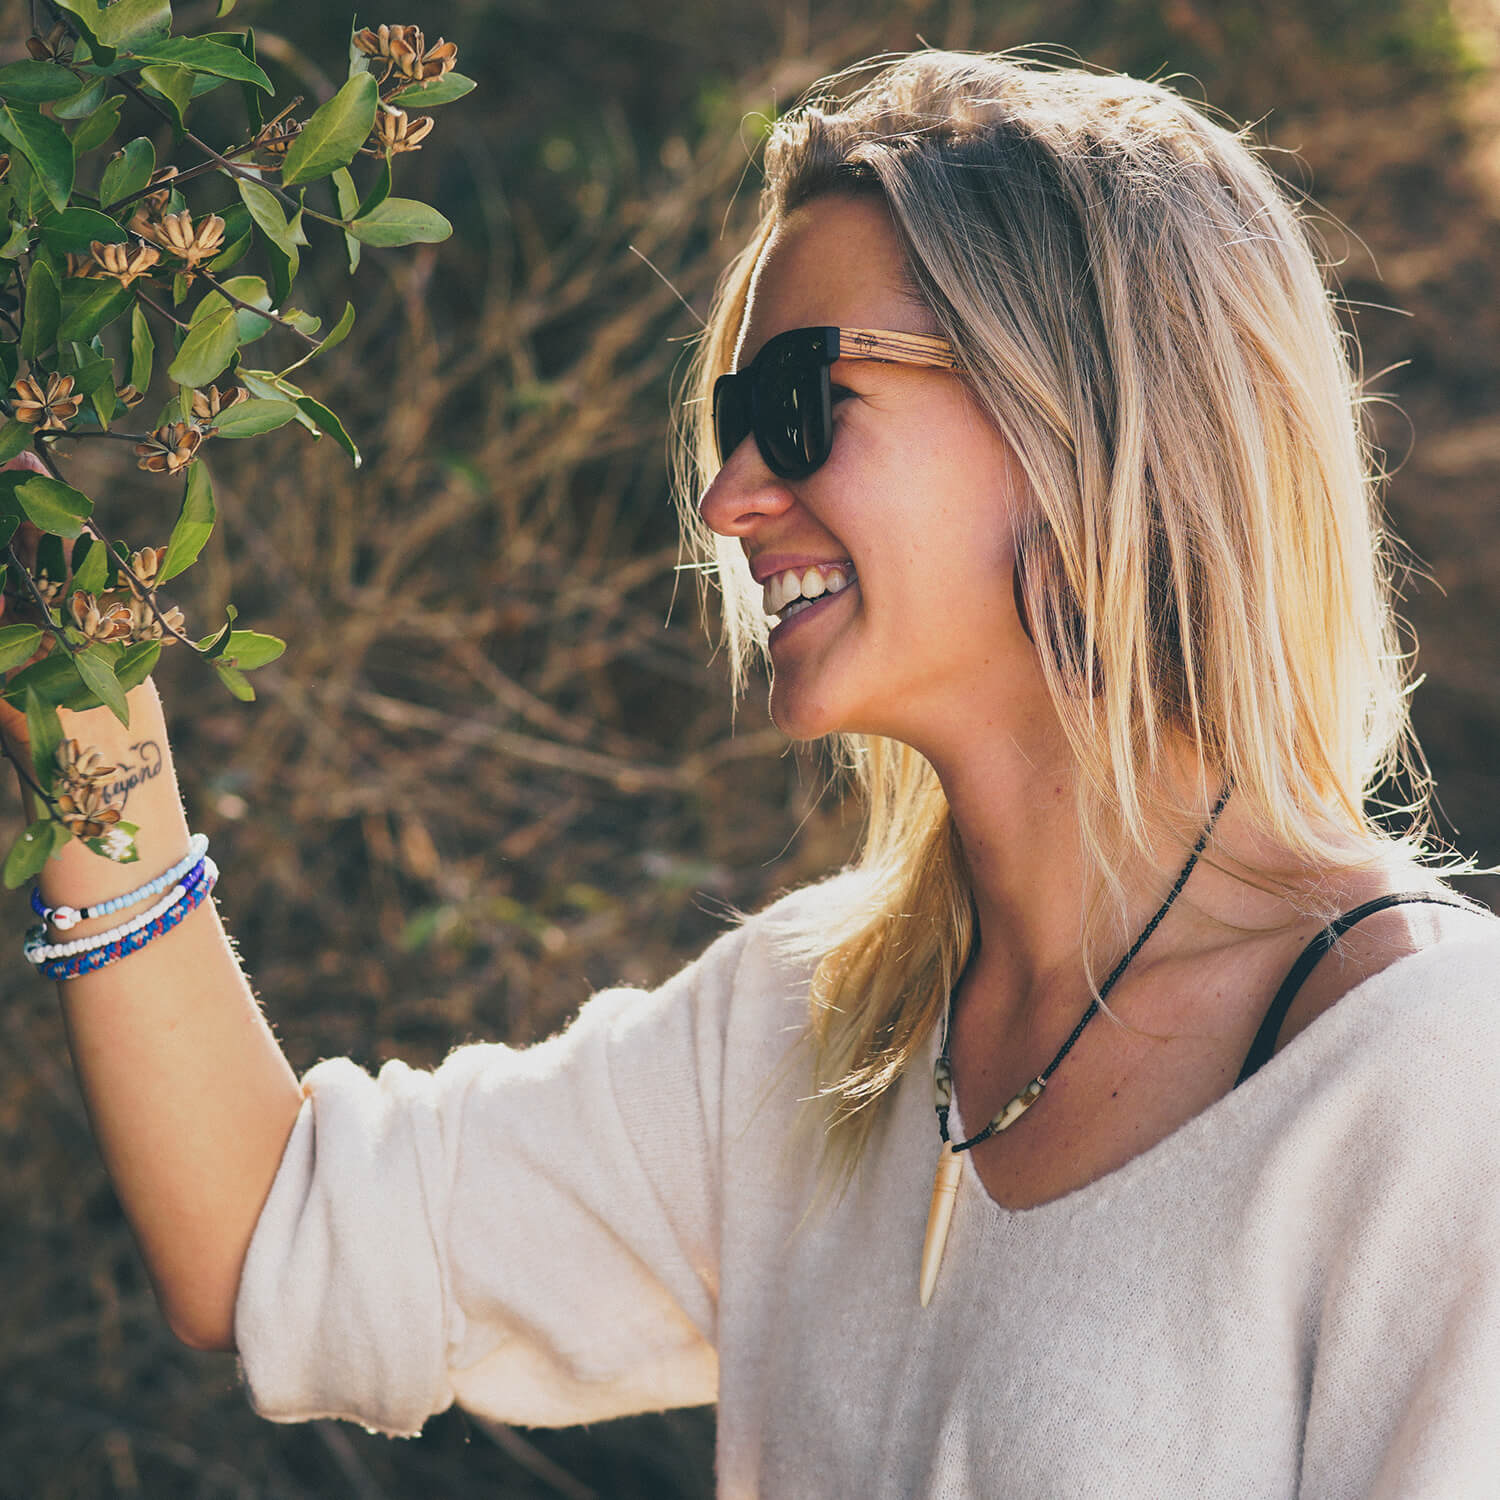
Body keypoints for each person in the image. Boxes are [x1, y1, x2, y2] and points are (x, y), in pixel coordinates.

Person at [7, 48, 1500, 1498]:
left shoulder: (1421, 1080)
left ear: (1081, 418)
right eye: (732, 420)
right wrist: (82, 703)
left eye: (799, 400)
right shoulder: (814, 1036)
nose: (728, 498)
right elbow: (274, 1236)